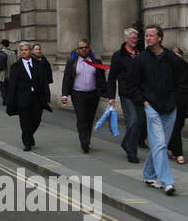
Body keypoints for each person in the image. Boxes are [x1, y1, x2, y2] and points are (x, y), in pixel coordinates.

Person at [123, 25, 188, 195]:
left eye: (152, 35)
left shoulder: (172, 59)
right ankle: (168, 182)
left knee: (161, 144)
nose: (148, 38)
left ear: (160, 38)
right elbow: (131, 84)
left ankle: (149, 174)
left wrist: (178, 99)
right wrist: (143, 102)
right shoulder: (140, 59)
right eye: (146, 35)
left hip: (170, 107)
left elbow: (183, 78)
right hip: (151, 107)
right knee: (159, 144)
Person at [106, 28, 145, 164]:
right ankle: (132, 152)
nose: (135, 40)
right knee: (132, 121)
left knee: (140, 122)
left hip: (140, 94)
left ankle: (126, 143)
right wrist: (111, 96)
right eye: (132, 38)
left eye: (136, 38)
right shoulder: (119, 55)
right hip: (126, 93)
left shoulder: (141, 54)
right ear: (126, 39)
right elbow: (111, 78)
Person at [61, 38, 107, 153]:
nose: (84, 50)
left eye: (86, 47)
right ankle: (84, 142)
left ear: (89, 48)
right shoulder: (72, 62)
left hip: (93, 94)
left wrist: (106, 92)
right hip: (78, 94)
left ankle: (87, 139)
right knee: (81, 118)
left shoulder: (96, 61)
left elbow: (101, 78)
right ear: (77, 50)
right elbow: (67, 78)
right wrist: (64, 95)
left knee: (90, 119)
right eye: (81, 48)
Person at [5, 41, 50, 151]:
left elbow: (44, 81)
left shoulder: (38, 64)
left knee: (36, 119)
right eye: (22, 50)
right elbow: (12, 85)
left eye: (26, 50)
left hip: (37, 98)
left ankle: (29, 135)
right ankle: (27, 143)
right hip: (22, 99)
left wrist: (46, 96)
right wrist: (10, 100)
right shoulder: (15, 67)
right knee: (24, 121)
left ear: (30, 51)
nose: (24, 52)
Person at [169, 47, 187, 166]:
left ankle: (170, 147)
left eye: (179, 54)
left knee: (179, 124)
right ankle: (178, 152)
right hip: (171, 100)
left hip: (184, 100)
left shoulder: (185, 66)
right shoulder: (168, 68)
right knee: (175, 125)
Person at [0, 40, 14, 105]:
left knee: (3, 87)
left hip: (1, 73)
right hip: (10, 73)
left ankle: (5, 100)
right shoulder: (12, 53)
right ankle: (9, 99)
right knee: (9, 87)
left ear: (2, 44)